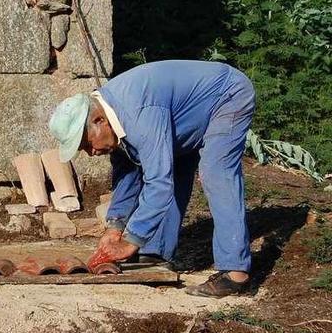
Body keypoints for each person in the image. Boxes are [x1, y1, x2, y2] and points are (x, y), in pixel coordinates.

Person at [49, 60, 256, 298]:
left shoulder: (138, 116)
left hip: (226, 96)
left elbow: (159, 184)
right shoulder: (111, 115)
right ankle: (156, 251)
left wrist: (130, 241)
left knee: (216, 172)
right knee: (166, 168)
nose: (91, 152)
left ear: (99, 120)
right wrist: (114, 227)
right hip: (184, 113)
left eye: (86, 144)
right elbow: (127, 174)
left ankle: (236, 273)